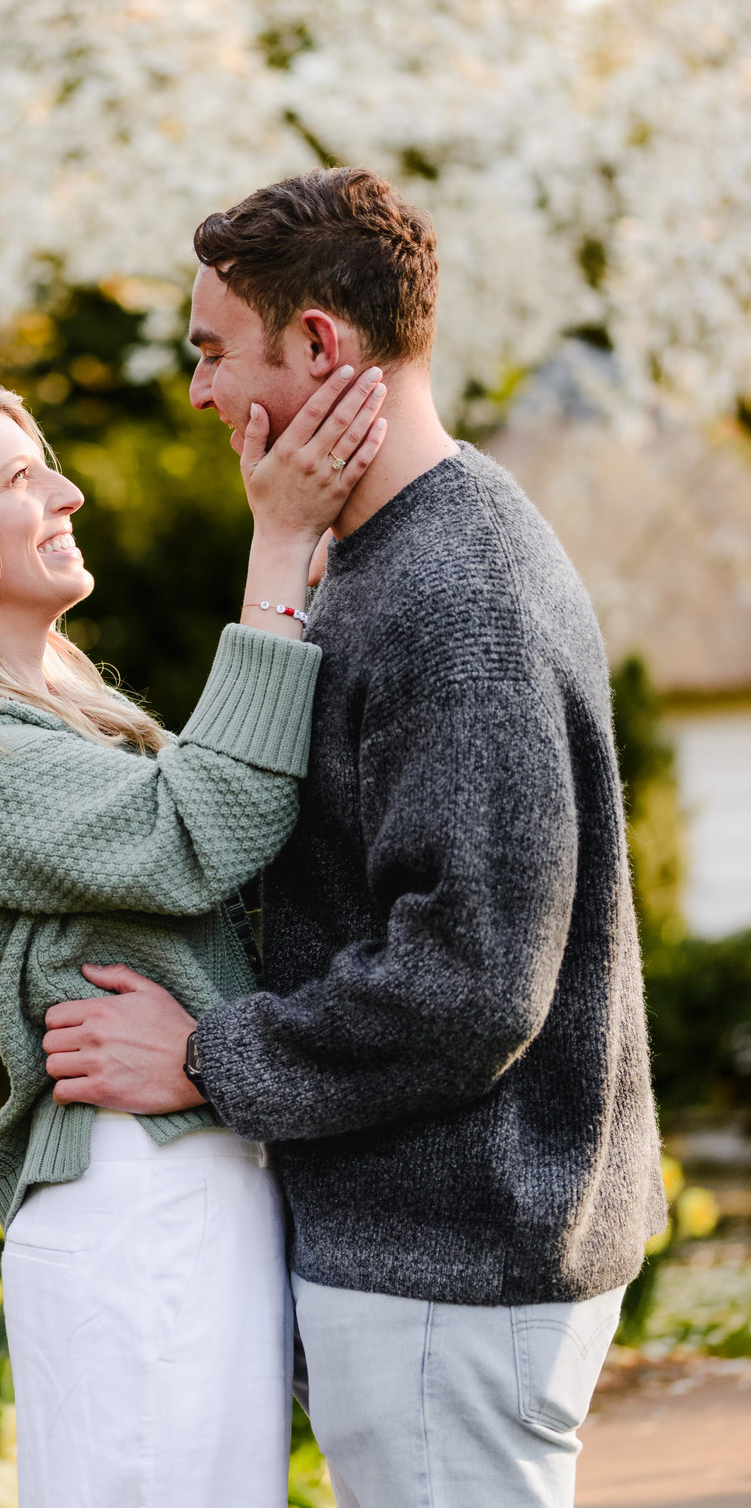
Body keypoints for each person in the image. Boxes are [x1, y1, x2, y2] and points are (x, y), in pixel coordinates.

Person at [41, 167, 668, 1508]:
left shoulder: (454, 593)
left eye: (216, 351)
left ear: (320, 343)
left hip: (457, 1256)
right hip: (439, 1245)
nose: (200, 390)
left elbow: (471, 977)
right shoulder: (390, 554)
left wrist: (209, 1056)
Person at [0, 372, 386, 1508]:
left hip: (198, 1173)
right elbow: (201, 831)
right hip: (130, 1195)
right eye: (23, 478)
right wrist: (275, 551)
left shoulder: (67, 709)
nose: (70, 492)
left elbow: (242, 861)